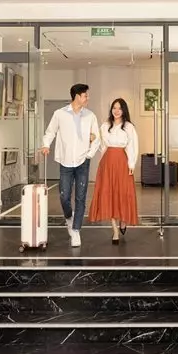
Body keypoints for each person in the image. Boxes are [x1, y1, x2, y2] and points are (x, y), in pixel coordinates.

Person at [41, 83, 100, 247]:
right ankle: (69, 217)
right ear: (77, 96)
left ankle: (76, 230)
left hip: (83, 162)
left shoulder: (90, 116)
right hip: (65, 161)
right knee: (64, 196)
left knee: (80, 197)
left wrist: (89, 154)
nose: (87, 98)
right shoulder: (60, 114)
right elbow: (50, 132)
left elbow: (97, 137)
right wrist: (46, 145)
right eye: (85, 95)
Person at [89, 98, 139, 244]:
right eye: (114, 108)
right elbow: (100, 144)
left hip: (122, 162)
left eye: (119, 108)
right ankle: (115, 231)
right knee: (109, 193)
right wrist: (91, 144)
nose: (116, 111)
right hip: (107, 163)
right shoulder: (105, 126)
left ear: (124, 110)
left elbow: (133, 146)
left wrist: (131, 164)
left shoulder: (129, 127)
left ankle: (123, 220)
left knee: (123, 193)